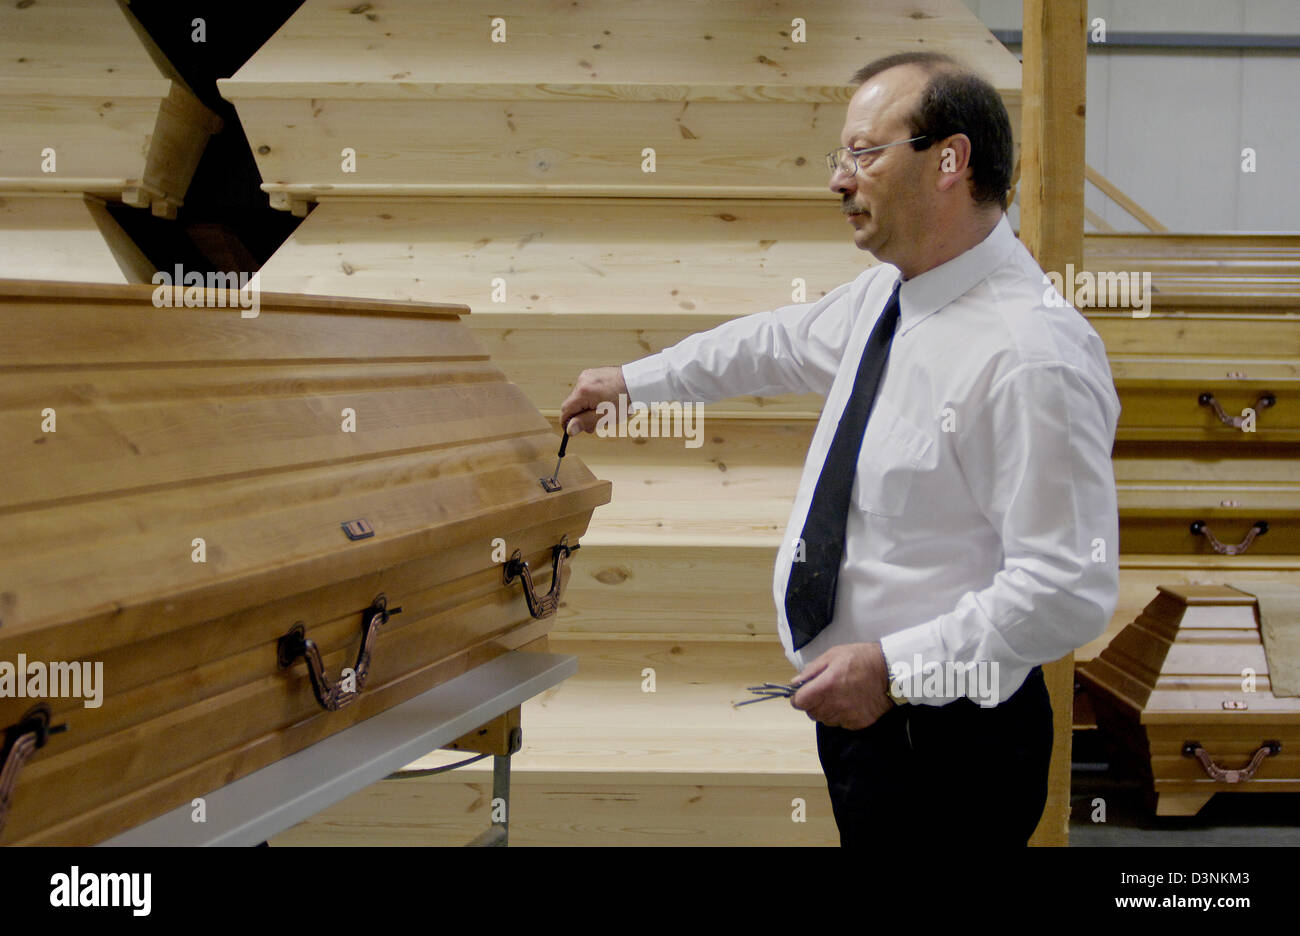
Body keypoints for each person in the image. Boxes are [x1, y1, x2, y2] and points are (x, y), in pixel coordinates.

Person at [559, 51, 1120, 846]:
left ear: (949, 161)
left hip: (950, 744)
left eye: (864, 153)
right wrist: (636, 383)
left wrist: (891, 671)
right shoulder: (893, 294)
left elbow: (1068, 587)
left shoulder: (1031, 355)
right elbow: (777, 343)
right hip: (872, 724)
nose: (839, 179)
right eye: (841, 156)